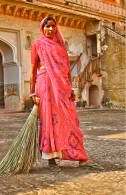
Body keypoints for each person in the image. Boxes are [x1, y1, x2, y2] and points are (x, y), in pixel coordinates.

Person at [30, 16, 103, 170]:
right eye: (47, 26)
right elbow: (33, 71)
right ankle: (51, 157)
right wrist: (32, 93)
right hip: (45, 87)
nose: (50, 29)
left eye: (53, 26)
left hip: (62, 88)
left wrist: (70, 89)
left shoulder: (60, 46)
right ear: (42, 28)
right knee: (49, 120)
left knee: (69, 120)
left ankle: (78, 155)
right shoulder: (38, 45)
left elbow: (66, 72)